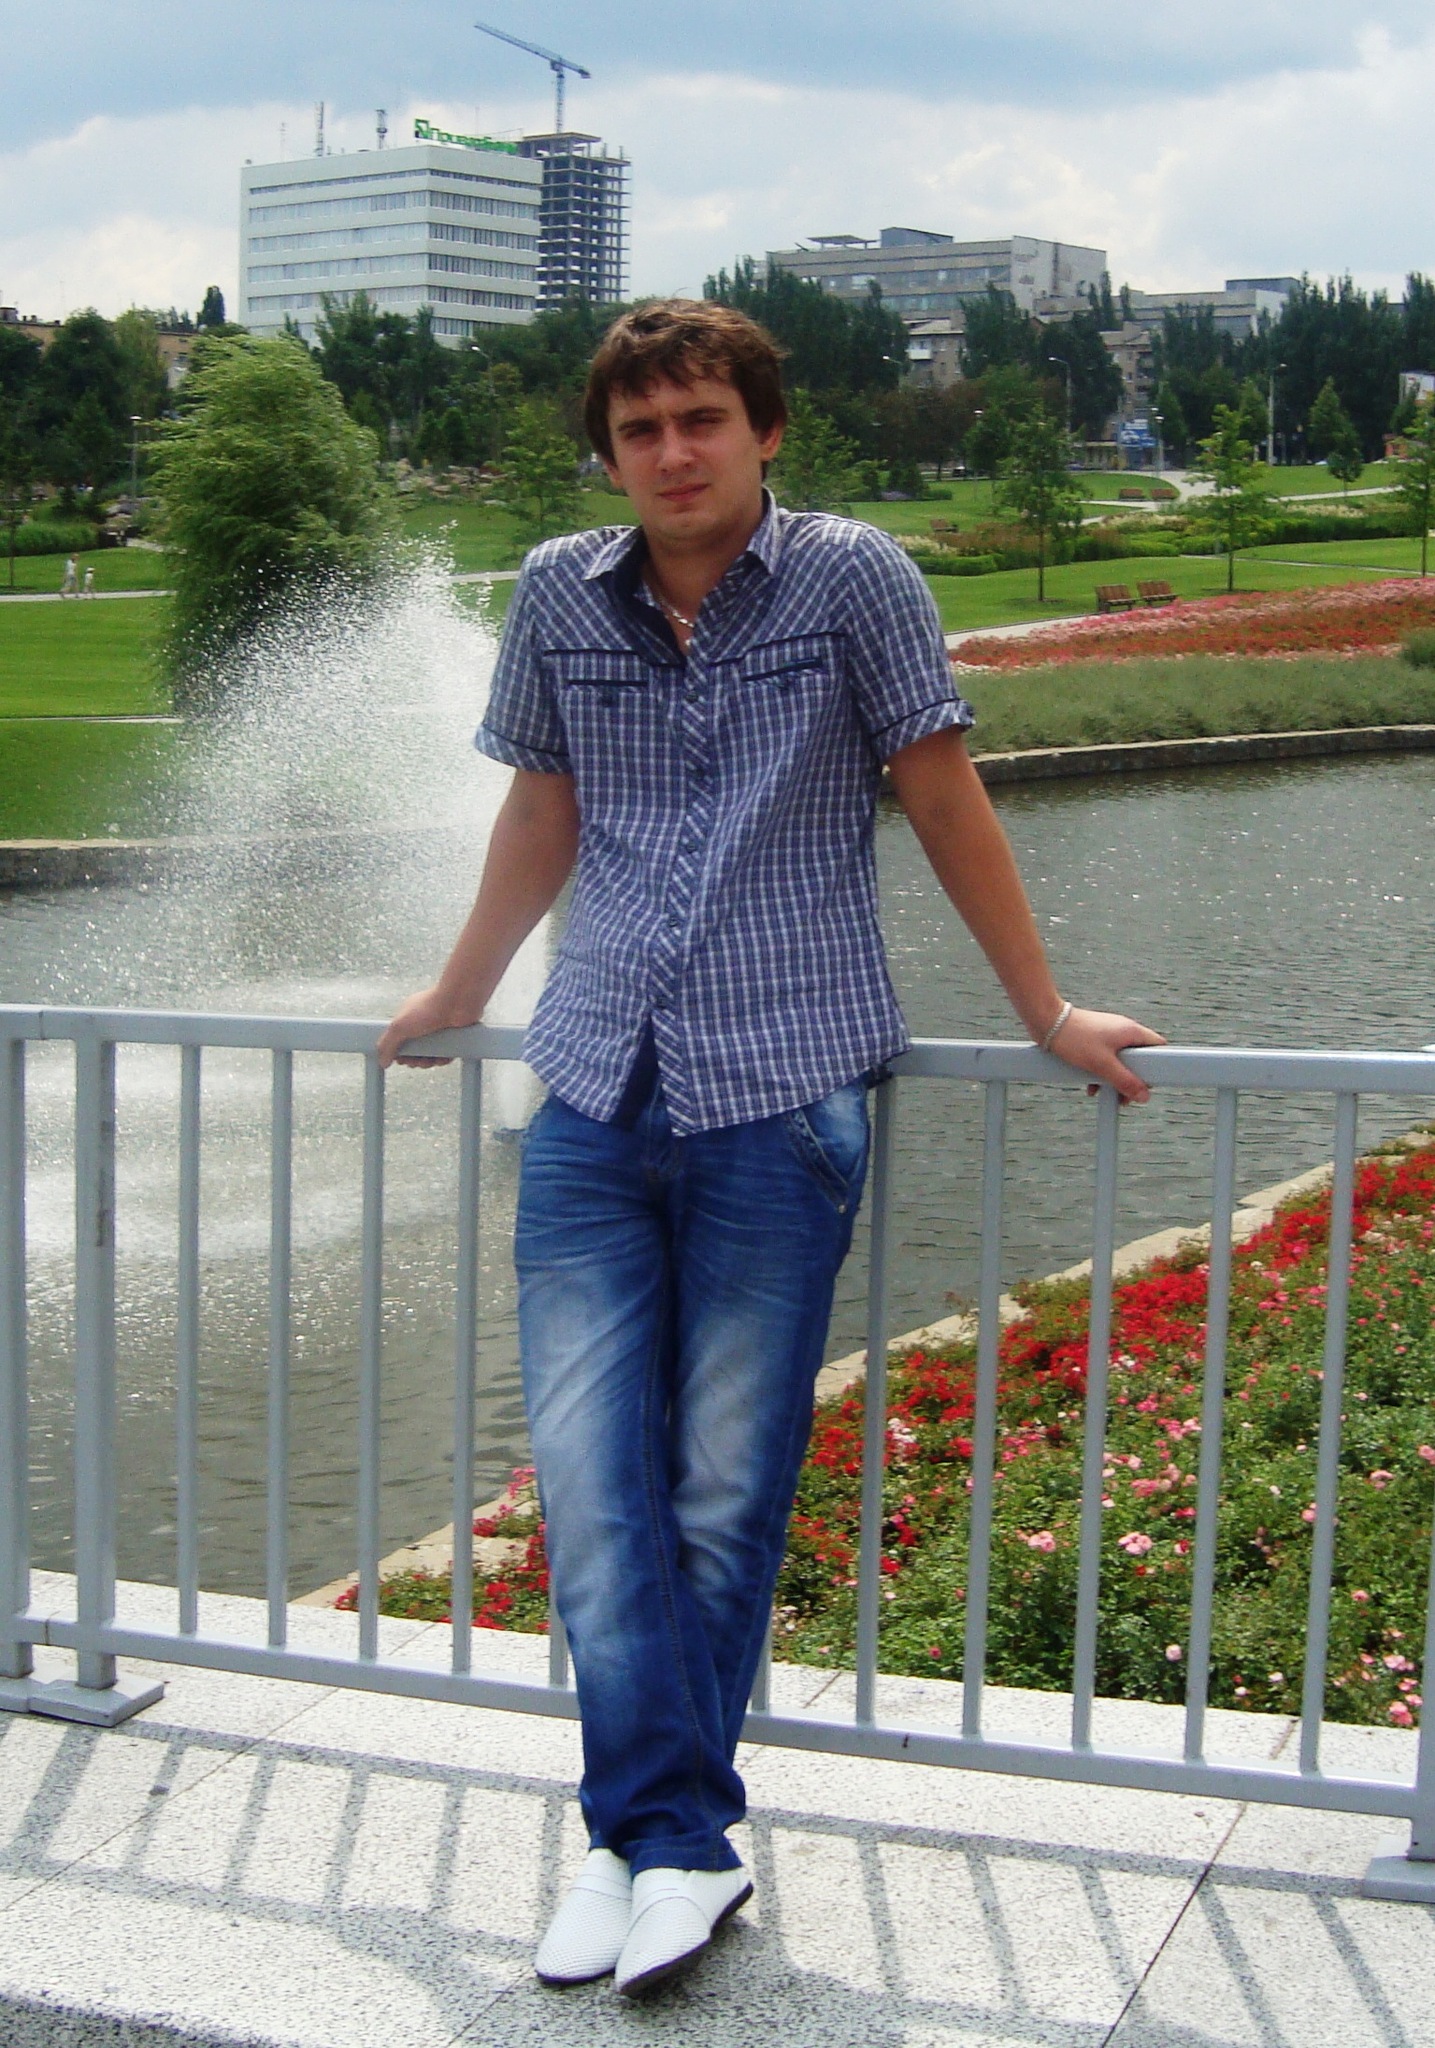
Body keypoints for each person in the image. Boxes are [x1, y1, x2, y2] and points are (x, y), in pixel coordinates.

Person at [378, 300, 1162, 1998]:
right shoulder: (558, 592)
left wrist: (1043, 1010)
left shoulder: (853, 578)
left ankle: (647, 1842)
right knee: (589, 1484)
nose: (673, 452)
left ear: (764, 431)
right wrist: (460, 990)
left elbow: (939, 791)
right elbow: (542, 808)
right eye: (641, 428)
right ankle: (666, 1840)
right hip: (594, 1089)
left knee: (724, 1491)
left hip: (782, 1092)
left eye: (703, 419)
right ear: (610, 453)